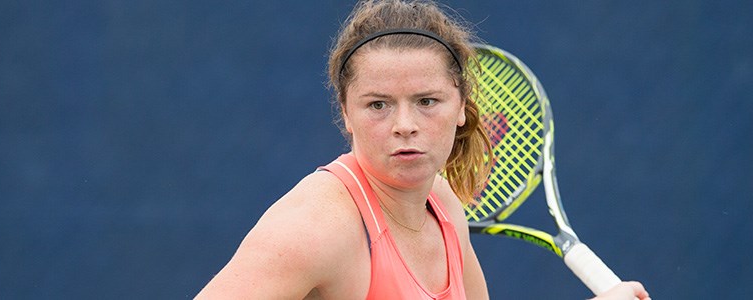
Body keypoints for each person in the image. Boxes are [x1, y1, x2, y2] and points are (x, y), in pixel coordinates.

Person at [196, 1, 650, 299]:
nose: (405, 126)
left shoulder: (445, 205)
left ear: (461, 106)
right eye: (378, 105)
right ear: (346, 113)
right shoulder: (315, 228)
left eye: (427, 101)